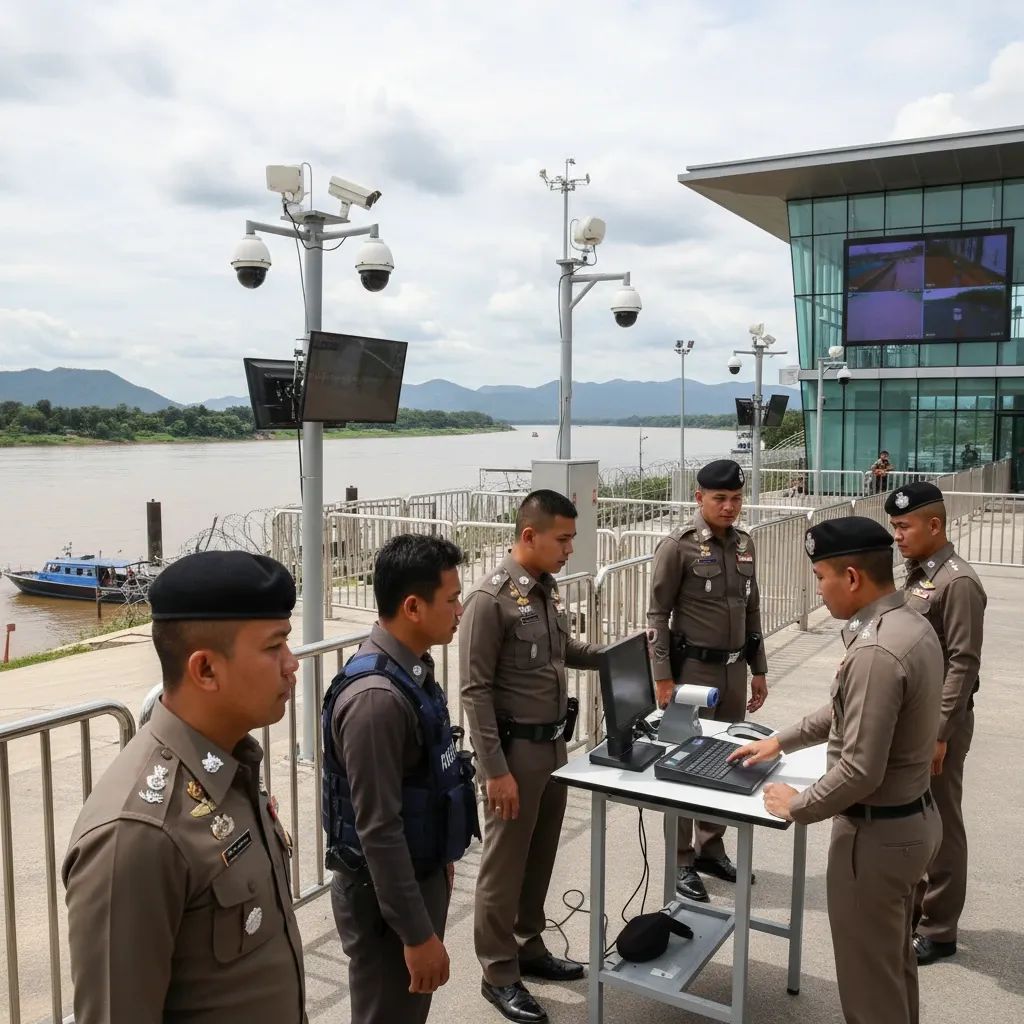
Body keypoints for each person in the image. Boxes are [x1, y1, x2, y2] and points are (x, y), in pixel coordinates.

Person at [62, 551, 306, 1024]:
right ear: (206, 669)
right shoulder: (137, 833)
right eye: (274, 646)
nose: (291, 663)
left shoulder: (231, 765)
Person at [730, 517, 943, 1024]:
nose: (818, 590)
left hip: (876, 839)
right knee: (891, 969)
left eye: (821, 577)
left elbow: (861, 770)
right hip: (911, 822)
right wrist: (780, 740)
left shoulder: (875, 650)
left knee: (869, 990)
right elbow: (846, 710)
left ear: (851, 577)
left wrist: (797, 806)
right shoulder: (909, 624)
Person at [322, 534, 480, 1024]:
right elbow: (379, 829)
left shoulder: (410, 671)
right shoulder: (377, 700)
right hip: (386, 901)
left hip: (415, 876)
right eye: (452, 599)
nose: (459, 610)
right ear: (413, 606)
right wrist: (416, 933)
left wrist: (439, 860)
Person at [460, 490, 604, 1023]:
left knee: (539, 855)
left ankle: (529, 945)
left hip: (552, 747)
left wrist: (613, 655)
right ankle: (498, 972)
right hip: (514, 755)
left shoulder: (545, 590)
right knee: (504, 867)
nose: (569, 549)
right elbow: (474, 691)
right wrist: (494, 771)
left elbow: (561, 652)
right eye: (562, 539)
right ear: (529, 535)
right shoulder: (490, 600)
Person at [647, 458, 767, 902]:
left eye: (736, 498)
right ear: (699, 497)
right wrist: (663, 677)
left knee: (728, 759)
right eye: (720, 498)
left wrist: (759, 668)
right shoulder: (677, 547)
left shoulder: (745, 544)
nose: (730, 506)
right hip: (693, 672)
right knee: (683, 761)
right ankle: (681, 859)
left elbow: (752, 610)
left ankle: (710, 847)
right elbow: (657, 616)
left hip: (734, 671)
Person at [886, 481, 986, 966]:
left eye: (904, 526)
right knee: (916, 816)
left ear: (934, 525)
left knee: (941, 821)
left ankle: (940, 928)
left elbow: (963, 662)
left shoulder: (958, 583)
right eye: (894, 526)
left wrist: (941, 732)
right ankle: (918, 910)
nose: (897, 535)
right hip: (913, 719)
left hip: (940, 724)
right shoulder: (919, 575)